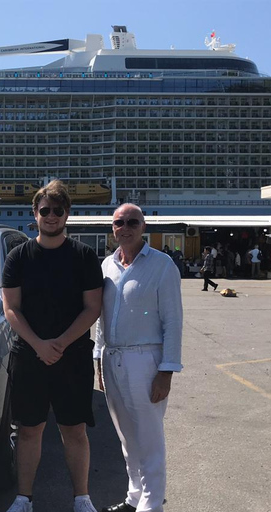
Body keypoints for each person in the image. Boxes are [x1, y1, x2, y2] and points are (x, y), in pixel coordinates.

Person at [1, 180, 104, 512]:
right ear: (35, 214)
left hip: (71, 356)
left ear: (67, 214)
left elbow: (93, 308)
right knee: (29, 430)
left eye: (57, 210)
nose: (51, 216)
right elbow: (10, 308)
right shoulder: (19, 256)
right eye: (45, 210)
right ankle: (24, 498)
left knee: (73, 431)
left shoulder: (84, 257)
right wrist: (38, 345)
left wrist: (58, 343)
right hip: (28, 356)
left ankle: (82, 498)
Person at [94, 203, 183, 512]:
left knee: (149, 437)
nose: (126, 227)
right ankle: (134, 497)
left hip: (146, 360)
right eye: (120, 222)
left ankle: (152, 504)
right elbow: (101, 319)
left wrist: (167, 370)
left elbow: (173, 320)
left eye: (133, 221)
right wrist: (98, 361)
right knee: (126, 437)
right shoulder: (107, 266)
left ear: (144, 227)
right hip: (112, 358)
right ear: (113, 228)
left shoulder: (162, 265)